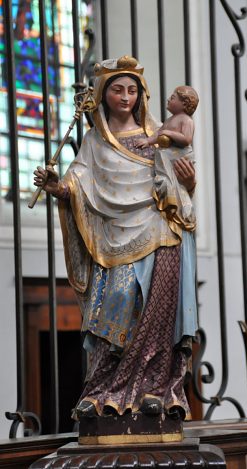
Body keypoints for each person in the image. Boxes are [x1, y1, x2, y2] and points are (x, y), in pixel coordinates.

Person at [33, 56, 198, 420]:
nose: (125, 96)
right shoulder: (95, 141)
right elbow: (78, 187)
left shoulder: (159, 131)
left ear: (142, 95)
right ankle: (103, 391)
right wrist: (56, 186)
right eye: (117, 89)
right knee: (118, 301)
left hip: (161, 230)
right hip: (115, 239)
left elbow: (182, 184)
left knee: (158, 312)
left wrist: (188, 183)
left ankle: (157, 389)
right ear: (103, 94)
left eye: (132, 89)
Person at [135, 86, 199, 229]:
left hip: (179, 156)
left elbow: (187, 139)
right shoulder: (170, 120)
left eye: (173, 97)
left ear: (184, 104)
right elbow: (159, 133)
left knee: (176, 182)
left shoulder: (186, 120)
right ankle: (166, 189)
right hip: (167, 155)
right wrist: (147, 141)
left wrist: (169, 133)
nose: (169, 98)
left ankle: (174, 198)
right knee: (163, 168)